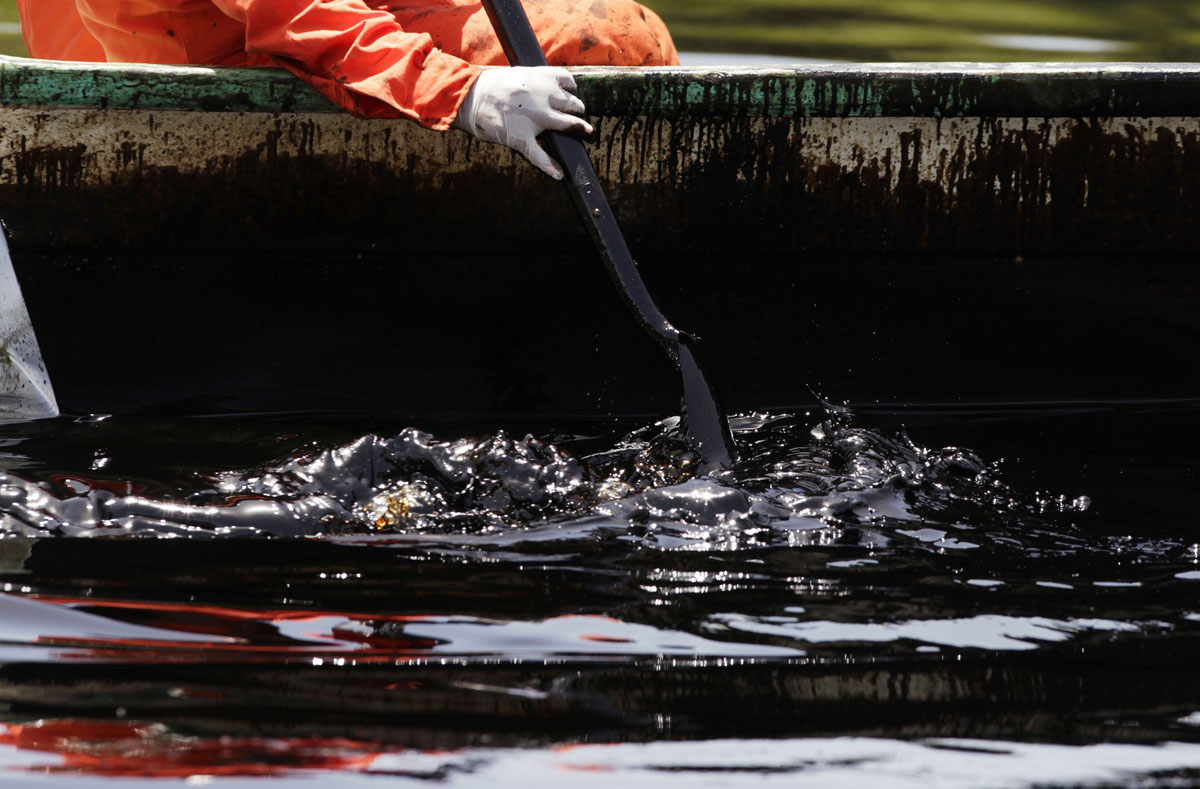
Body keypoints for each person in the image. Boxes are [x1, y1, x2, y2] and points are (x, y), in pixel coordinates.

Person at [15, 0, 678, 179]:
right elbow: (297, 11)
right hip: (224, 48)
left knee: (615, 40)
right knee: (619, 43)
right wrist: (463, 95)